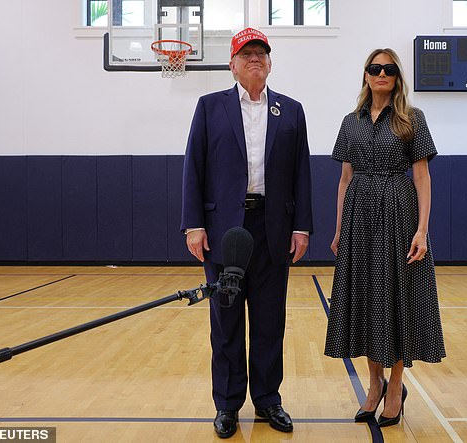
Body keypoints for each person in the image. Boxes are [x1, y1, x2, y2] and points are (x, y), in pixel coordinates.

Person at [181, 27, 313, 439]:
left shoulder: (291, 111)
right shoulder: (209, 108)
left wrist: (302, 227)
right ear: (233, 64)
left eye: (262, 53)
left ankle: (269, 400)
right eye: (247, 53)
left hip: (273, 230)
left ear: (270, 64)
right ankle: (227, 405)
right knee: (226, 324)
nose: (255, 58)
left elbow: (301, 176)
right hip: (225, 232)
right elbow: (194, 168)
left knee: (270, 323)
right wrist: (194, 224)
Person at [324, 48, 446, 427]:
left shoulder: (413, 119)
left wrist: (422, 230)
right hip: (359, 214)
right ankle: (373, 383)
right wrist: (340, 228)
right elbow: (345, 179)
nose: (381, 74)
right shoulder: (350, 121)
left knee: (395, 298)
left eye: (388, 69)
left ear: (397, 76)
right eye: (374, 68)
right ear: (365, 75)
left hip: (398, 211)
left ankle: (396, 386)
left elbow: (422, 177)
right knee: (365, 299)